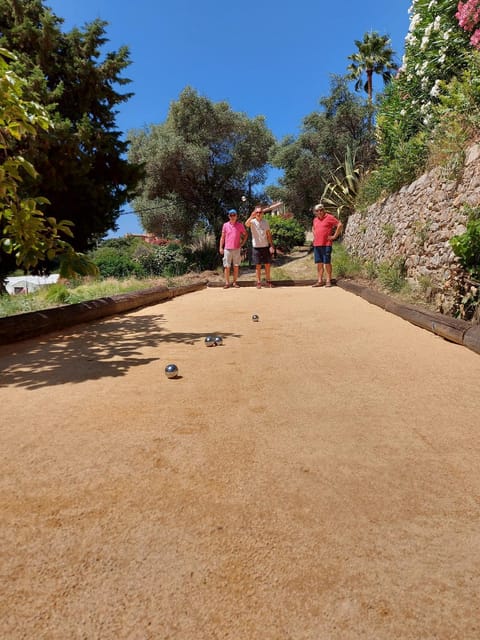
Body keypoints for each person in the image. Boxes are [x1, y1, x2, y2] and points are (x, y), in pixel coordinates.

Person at [311, 202, 343, 287]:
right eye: (317, 211)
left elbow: (339, 225)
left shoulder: (329, 217)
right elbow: (313, 227)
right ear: (315, 212)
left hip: (326, 244)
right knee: (319, 263)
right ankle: (320, 280)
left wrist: (334, 236)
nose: (319, 212)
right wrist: (315, 235)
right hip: (317, 244)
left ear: (323, 210)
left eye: (321, 210)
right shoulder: (315, 219)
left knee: (327, 262)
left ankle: (328, 280)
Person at [245, 206, 275, 288]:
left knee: (267, 264)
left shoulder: (266, 222)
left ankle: (268, 281)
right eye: (257, 212)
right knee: (257, 265)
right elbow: (246, 224)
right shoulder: (252, 221)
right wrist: (251, 216)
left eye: (260, 212)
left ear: (263, 213)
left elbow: (268, 235)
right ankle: (258, 282)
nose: (258, 213)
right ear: (255, 213)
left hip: (265, 246)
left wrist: (271, 246)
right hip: (256, 247)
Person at [219, 209, 248, 288]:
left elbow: (245, 234)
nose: (232, 217)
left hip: (237, 249)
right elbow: (222, 237)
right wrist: (220, 247)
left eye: (234, 215)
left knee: (236, 266)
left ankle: (235, 283)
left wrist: (242, 243)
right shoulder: (225, 225)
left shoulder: (240, 225)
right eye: (231, 215)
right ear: (229, 216)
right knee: (227, 266)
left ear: (236, 216)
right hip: (227, 249)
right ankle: (227, 283)